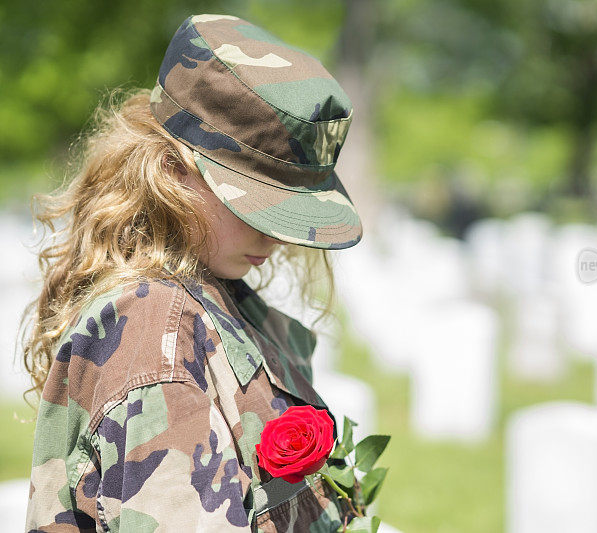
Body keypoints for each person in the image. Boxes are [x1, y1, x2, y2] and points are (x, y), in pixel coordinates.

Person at [22, 13, 362, 532]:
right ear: (173, 168)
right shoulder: (156, 334)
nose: (275, 235)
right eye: (257, 203)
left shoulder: (211, 295)